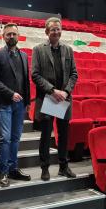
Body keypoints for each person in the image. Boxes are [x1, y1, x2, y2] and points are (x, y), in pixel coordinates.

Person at [32, 17, 78, 181]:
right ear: (47, 31)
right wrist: (53, 91)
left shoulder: (68, 50)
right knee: (46, 135)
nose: (56, 32)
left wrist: (65, 91)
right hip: (49, 98)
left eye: (58, 29)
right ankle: (45, 168)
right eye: (53, 29)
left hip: (63, 98)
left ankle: (63, 167)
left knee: (64, 135)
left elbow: (74, 74)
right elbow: (35, 75)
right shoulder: (38, 49)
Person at [0, 23, 31, 187]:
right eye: (8, 34)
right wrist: (10, 93)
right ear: (3, 36)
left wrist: (27, 101)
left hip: (19, 105)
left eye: (14, 34)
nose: (11, 36)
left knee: (15, 138)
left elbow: (26, 80)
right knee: (5, 139)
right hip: (4, 103)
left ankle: (13, 169)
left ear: (18, 36)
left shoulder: (24, 56)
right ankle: (3, 172)